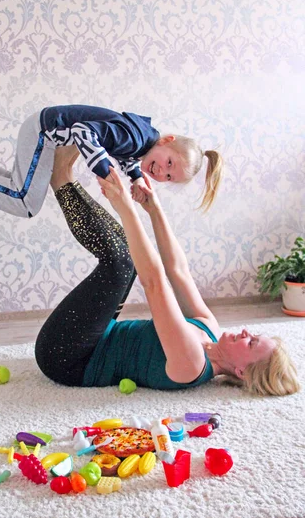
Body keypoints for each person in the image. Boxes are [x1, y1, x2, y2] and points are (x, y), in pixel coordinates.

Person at [35, 152, 299, 397]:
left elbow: (155, 284)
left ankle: (61, 176)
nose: (245, 332)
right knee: (127, 259)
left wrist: (126, 207)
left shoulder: (192, 364)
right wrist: (153, 208)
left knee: (121, 264)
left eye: (251, 343)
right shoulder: (208, 329)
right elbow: (178, 271)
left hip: (68, 358)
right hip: (97, 334)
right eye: (253, 335)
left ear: (242, 372)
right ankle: (63, 177)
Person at [0, 104, 223, 215]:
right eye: (169, 163)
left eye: (168, 177)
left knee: (17, 186)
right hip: (43, 132)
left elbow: (122, 152)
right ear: (167, 141)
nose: (161, 171)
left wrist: (135, 177)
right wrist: (104, 168)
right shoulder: (135, 138)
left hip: (41, 127)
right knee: (26, 203)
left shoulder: (142, 139)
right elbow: (85, 132)